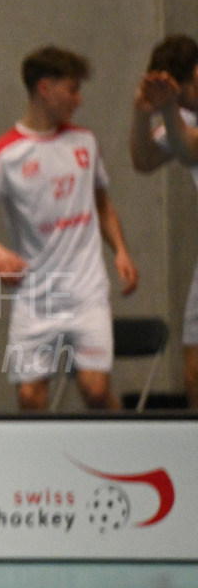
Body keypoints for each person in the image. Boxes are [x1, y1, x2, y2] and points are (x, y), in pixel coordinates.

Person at [0, 45, 138, 411]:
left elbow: (102, 203)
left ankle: (127, 456)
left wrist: (120, 249)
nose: (79, 100)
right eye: (72, 90)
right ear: (45, 88)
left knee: (96, 391)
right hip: (34, 298)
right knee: (30, 398)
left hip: (86, 293)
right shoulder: (4, 154)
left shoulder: (84, 142)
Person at [128, 35, 198, 410]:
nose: (182, 101)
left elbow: (189, 151)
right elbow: (144, 160)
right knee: (195, 367)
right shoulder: (184, 113)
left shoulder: (180, 115)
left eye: (183, 93)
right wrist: (142, 111)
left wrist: (168, 108)